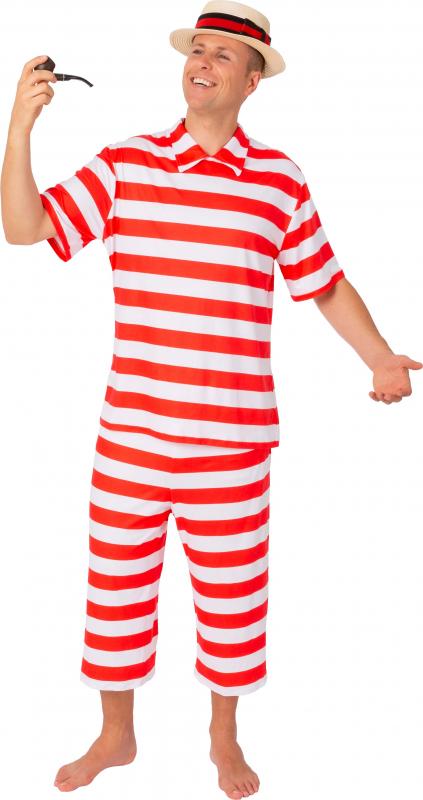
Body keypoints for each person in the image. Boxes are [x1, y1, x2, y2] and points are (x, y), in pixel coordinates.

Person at [1, 1, 422, 796]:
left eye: (223, 55)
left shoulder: (278, 180)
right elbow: (25, 230)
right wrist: (20, 129)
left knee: (232, 600)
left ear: (252, 81)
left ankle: (222, 739)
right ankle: (116, 736)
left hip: (232, 440)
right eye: (196, 49)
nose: (202, 62)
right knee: (115, 592)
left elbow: (323, 282)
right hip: (131, 435)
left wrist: (378, 357)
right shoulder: (125, 164)